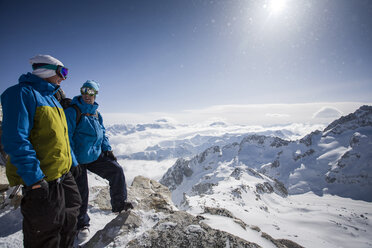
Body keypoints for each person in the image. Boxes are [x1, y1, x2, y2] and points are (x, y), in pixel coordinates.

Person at [1, 54, 82, 248]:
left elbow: (60, 137)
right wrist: (34, 179)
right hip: (42, 178)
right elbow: (16, 139)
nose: (64, 78)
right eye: (62, 72)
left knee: (70, 218)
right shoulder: (21, 93)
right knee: (45, 232)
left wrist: (73, 163)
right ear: (46, 70)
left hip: (63, 174)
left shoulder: (52, 99)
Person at [64, 80, 132, 242]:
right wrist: (73, 161)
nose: (87, 95)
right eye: (84, 91)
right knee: (81, 191)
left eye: (91, 92)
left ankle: (119, 204)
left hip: (94, 155)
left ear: (96, 94)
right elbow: (66, 138)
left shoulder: (96, 113)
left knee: (116, 171)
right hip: (78, 159)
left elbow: (102, 132)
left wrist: (107, 149)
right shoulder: (73, 111)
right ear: (81, 92)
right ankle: (81, 224)